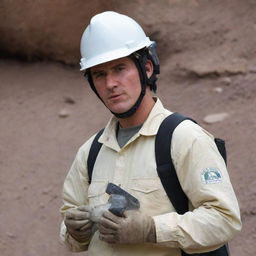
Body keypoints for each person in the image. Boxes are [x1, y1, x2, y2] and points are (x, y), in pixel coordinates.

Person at [59, 11, 242, 256]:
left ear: (146, 68)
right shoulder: (90, 152)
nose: (110, 83)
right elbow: (71, 232)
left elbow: (224, 219)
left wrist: (152, 230)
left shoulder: (185, 138)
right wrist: (74, 231)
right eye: (99, 74)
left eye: (119, 68)